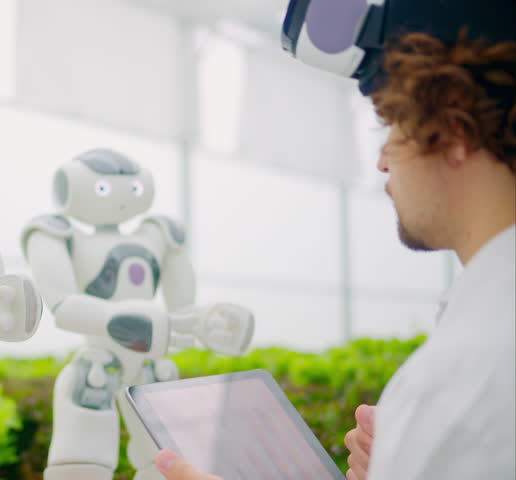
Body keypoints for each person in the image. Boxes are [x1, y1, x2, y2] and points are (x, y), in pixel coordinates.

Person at [153, 1, 516, 479]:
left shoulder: (463, 379)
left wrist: (426, 441)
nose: (384, 161)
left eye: (392, 125)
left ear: (452, 130)